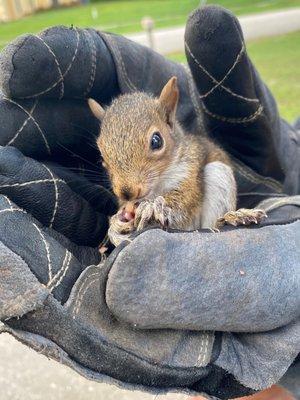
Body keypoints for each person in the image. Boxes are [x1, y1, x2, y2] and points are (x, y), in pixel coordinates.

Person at [0, 5, 298, 400]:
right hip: (174, 256)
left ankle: (223, 229)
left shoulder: (184, 161)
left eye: (153, 145)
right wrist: (120, 223)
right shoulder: (128, 185)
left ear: (169, 115)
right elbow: (127, 202)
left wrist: (166, 209)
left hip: (204, 215)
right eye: (110, 165)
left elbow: (186, 203)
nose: (128, 185)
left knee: (217, 174)